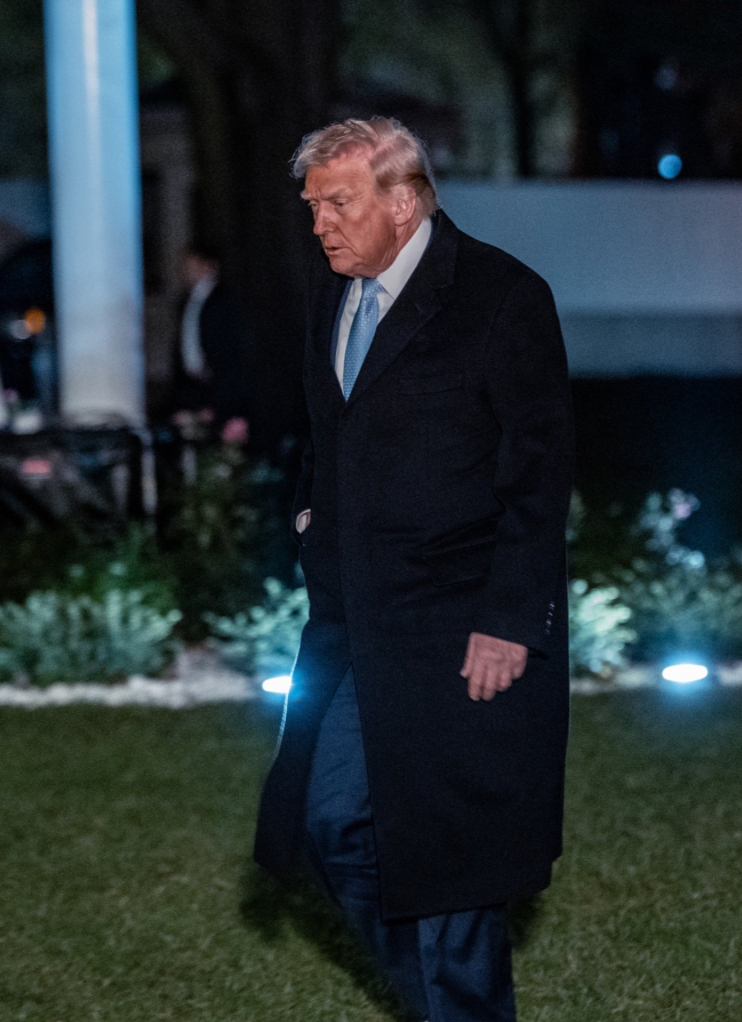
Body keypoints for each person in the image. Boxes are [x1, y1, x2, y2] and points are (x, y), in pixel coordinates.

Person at [254, 118, 573, 1021]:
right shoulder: (333, 295)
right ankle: (444, 1008)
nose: (320, 224)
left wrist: (511, 617)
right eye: (313, 206)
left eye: (338, 202)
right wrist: (316, 512)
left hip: (465, 623)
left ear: (403, 199)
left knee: (454, 858)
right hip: (354, 619)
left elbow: (539, 472)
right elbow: (332, 434)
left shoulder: (503, 298)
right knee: (330, 820)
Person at [169, 244, 251, 430]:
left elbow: (231, 347)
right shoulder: (185, 301)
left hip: (219, 384)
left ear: (208, 265)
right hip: (192, 384)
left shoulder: (224, 299)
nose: (187, 271)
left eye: (193, 264)